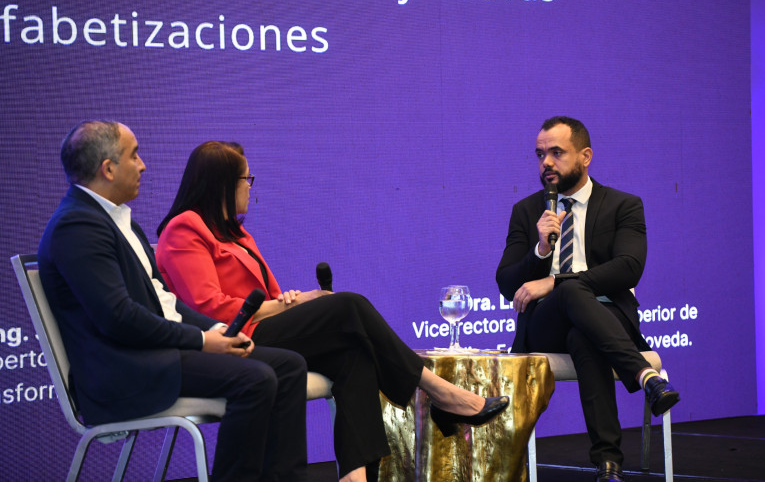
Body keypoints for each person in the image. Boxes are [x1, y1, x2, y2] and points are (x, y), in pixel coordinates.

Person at [155, 141, 510, 482]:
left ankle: (356, 475)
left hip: (263, 328)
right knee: (349, 305)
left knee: (354, 354)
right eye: (245, 178)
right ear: (221, 183)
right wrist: (294, 303)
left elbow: (268, 296)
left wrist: (288, 300)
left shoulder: (236, 233)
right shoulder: (184, 228)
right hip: (232, 339)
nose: (250, 186)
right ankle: (440, 391)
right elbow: (209, 307)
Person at [38, 121, 308, 482]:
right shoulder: (77, 226)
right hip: (125, 371)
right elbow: (119, 317)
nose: (143, 165)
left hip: (159, 354)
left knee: (289, 366)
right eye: (134, 155)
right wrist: (201, 341)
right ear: (108, 168)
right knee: (255, 379)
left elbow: (164, 301)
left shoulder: (118, 220)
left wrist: (218, 330)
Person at [495, 116, 680, 482]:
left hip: (609, 317)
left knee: (583, 332)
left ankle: (608, 464)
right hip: (546, 323)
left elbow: (629, 268)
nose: (546, 162)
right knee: (569, 294)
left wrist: (555, 281)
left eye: (557, 152)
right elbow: (506, 282)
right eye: (540, 154)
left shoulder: (623, 205)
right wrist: (540, 250)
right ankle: (644, 376)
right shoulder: (527, 211)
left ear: (585, 156)